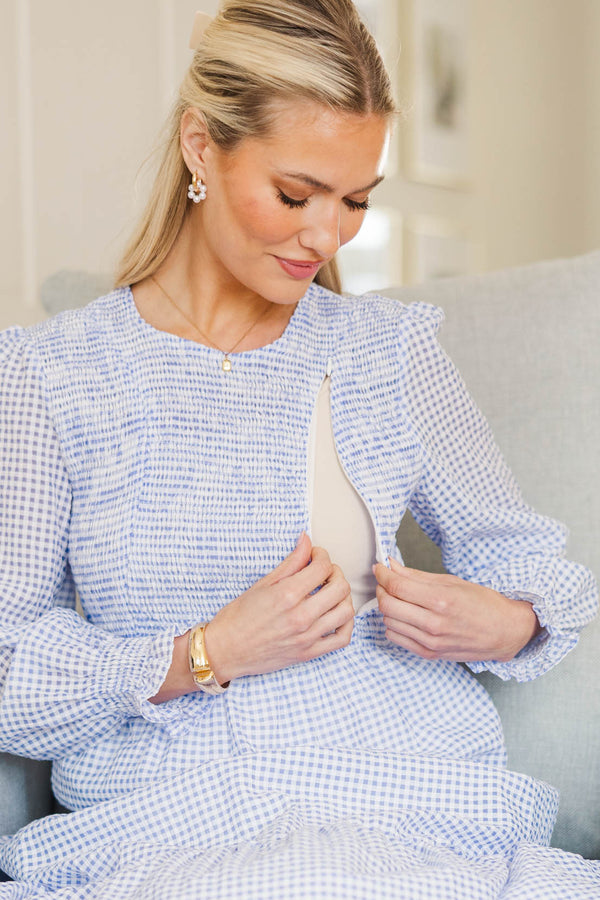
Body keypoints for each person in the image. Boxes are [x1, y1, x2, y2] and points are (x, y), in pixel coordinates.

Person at [0, 1, 598, 897]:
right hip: (178, 818)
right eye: (295, 194)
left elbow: (529, 566)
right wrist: (205, 654)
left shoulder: (388, 352)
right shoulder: (52, 374)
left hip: (409, 800)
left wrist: (503, 621)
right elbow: (8, 668)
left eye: (356, 201)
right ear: (201, 147)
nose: (326, 237)